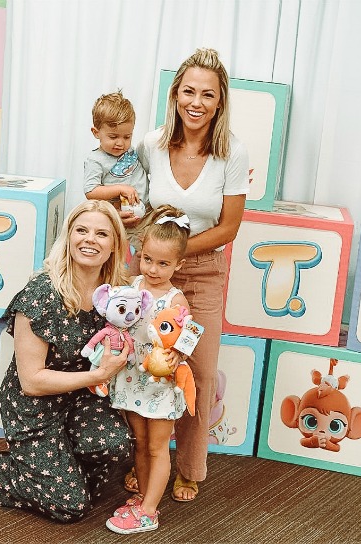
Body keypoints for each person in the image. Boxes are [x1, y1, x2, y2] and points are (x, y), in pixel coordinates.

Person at [0, 200, 133, 523]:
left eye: (101, 233)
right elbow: (31, 381)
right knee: (70, 506)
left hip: (82, 398)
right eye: (81, 230)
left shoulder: (118, 294)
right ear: (68, 236)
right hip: (34, 403)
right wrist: (99, 374)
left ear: (115, 243)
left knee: (115, 446)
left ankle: (56, 472)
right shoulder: (41, 293)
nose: (90, 240)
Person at [126, 48, 250, 502]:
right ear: (176, 94)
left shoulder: (232, 151)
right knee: (142, 367)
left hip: (202, 274)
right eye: (188, 91)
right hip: (151, 273)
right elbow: (134, 205)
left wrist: (176, 253)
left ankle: (189, 469)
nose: (196, 102)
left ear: (220, 102)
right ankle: (142, 460)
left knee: (195, 371)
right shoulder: (152, 143)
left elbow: (229, 227)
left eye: (208, 95)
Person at [106, 205, 191, 534]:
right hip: (131, 377)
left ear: (178, 264)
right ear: (140, 255)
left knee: (157, 445)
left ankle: (149, 511)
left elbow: (190, 336)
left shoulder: (175, 300)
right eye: (149, 259)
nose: (154, 269)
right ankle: (142, 496)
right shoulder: (132, 284)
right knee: (139, 442)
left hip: (159, 382)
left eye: (164, 263)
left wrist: (178, 357)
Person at [84, 90, 150, 251]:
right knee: (131, 255)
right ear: (96, 133)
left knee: (152, 251)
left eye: (127, 137)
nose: (120, 143)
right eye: (113, 137)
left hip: (148, 214)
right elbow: (91, 191)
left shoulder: (131, 151)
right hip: (122, 219)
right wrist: (121, 189)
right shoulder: (95, 160)